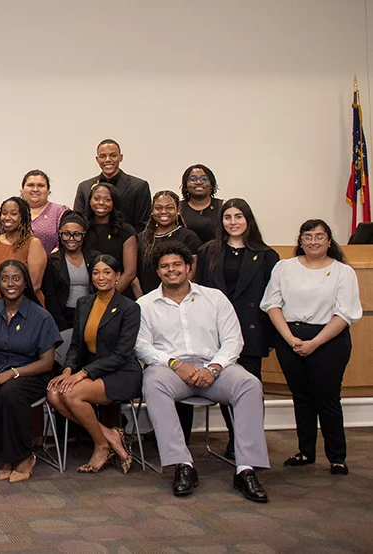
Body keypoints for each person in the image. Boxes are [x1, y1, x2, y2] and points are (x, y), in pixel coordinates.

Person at [137, 241, 270, 503]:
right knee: (153, 383)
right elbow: (141, 346)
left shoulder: (215, 298)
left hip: (214, 369)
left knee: (249, 384)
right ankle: (182, 464)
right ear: (158, 271)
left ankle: (246, 469)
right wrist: (175, 364)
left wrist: (214, 367)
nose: (171, 270)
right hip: (171, 370)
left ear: (188, 267)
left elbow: (233, 339)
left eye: (177, 264)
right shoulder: (145, 304)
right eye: (164, 266)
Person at [262, 219, 362, 475]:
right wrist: (290, 339)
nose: (313, 241)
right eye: (308, 236)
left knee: (327, 398)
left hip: (329, 340)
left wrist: (314, 343)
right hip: (290, 339)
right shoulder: (284, 267)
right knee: (301, 397)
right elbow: (272, 304)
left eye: (319, 236)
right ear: (300, 240)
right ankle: (305, 451)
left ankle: (337, 457)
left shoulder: (343, 272)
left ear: (329, 241)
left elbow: (345, 314)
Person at [196, 198, 278, 457]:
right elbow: (201, 293)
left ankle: (250, 442)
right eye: (228, 217)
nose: (233, 222)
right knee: (226, 385)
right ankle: (234, 438)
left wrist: (271, 337)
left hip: (252, 330)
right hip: (217, 331)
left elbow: (273, 299)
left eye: (238, 216)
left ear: (248, 219)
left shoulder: (266, 255)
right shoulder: (209, 251)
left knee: (251, 388)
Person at [46, 254, 141, 473]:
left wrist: (83, 373)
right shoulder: (84, 303)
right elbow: (76, 345)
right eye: (96, 272)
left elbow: (121, 354)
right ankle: (110, 435)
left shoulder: (129, 308)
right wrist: (68, 369)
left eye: (107, 272)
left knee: (71, 395)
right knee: (53, 393)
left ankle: (101, 446)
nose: (101, 277)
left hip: (121, 372)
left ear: (117, 276)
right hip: (91, 369)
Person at [0, 260, 60, 482]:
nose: (10, 284)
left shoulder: (41, 316)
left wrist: (12, 373)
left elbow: (47, 363)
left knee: (10, 392)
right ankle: (3, 456)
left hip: (32, 374)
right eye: (4, 279)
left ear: (25, 282)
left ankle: (23, 456)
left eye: (16, 278)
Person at [73, 139, 152, 228]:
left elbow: (143, 224)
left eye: (113, 155)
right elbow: (77, 222)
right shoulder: (84, 187)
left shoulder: (139, 186)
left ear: (120, 157)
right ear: (97, 159)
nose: (108, 160)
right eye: (103, 156)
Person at [137, 191, 202, 295]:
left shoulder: (188, 237)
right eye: (158, 208)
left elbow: (192, 273)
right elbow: (135, 274)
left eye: (169, 208)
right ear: (152, 211)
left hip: (181, 296)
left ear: (178, 210)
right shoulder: (141, 238)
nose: (163, 211)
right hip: (148, 298)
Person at [0, 197, 46, 303]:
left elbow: (34, 285)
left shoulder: (33, 244)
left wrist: (9, 307)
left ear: (23, 216)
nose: (7, 218)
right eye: (4, 213)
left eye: (14, 214)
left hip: (26, 305)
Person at [82, 183, 138, 297]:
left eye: (107, 199)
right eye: (97, 198)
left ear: (114, 203)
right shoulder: (83, 229)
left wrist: (108, 297)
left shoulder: (126, 230)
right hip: (87, 294)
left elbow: (130, 273)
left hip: (119, 294)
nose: (101, 202)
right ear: (90, 201)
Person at [42, 211, 90, 331]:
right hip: (63, 318)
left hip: (90, 315)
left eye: (77, 234)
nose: (71, 239)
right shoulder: (52, 261)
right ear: (60, 234)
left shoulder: (94, 259)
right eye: (66, 234)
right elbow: (50, 296)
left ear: (84, 235)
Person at [21, 170, 69, 254]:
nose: (35, 189)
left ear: (48, 191)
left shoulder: (60, 212)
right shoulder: (13, 212)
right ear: (22, 190)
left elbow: (67, 241)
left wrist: (48, 259)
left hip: (53, 260)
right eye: (30, 185)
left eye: (41, 185)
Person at [179, 164, 222, 243]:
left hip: (217, 250)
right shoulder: (178, 208)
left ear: (211, 183)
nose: (198, 182)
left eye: (204, 179)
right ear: (186, 184)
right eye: (193, 179)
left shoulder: (223, 206)